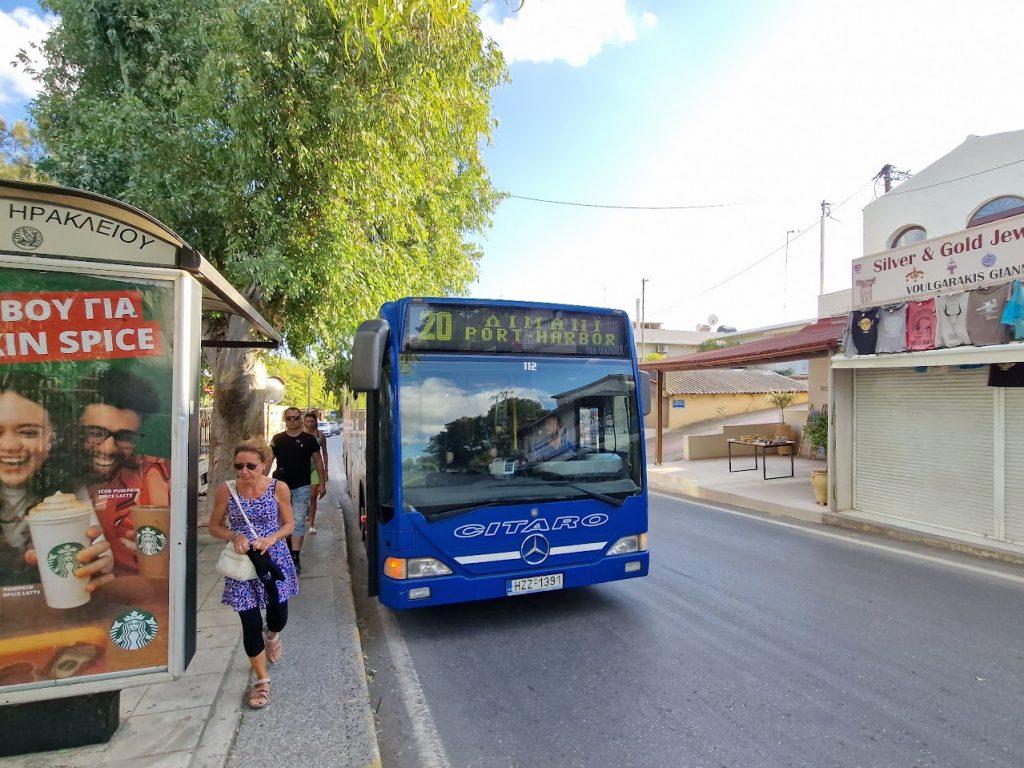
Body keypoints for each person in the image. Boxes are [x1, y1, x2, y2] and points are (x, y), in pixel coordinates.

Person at [1, 370, 112, 589]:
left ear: (54, 436)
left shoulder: (68, 491)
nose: (10, 446)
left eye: (29, 432)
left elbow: (98, 556)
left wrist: (98, 564)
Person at [208, 440, 298, 709]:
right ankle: (261, 680)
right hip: (241, 565)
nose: (244, 472)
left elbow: (290, 524)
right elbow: (213, 526)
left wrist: (271, 539)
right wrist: (234, 535)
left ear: (265, 465)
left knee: (278, 617)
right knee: (249, 624)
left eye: (251, 466)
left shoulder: (277, 488)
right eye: (239, 466)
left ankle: (272, 636)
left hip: (273, 559)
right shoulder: (227, 490)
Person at [78, 369, 171, 575]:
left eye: (124, 437)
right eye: (96, 433)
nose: (108, 448)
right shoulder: (50, 482)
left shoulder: (156, 474)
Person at [266, 406, 325, 574]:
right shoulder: (277, 439)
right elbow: (269, 460)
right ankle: (281, 553)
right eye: (289, 418)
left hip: (302, 486)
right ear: (285, 421)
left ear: (301, 419)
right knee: (280, 521)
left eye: (295, 418)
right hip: (280, 487)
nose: (293, 421)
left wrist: (322, 483)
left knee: (298, 521)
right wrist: (260, 481)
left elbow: (318, 461)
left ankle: (295, 556)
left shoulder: (309, 439)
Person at [302, 412, 329, 535]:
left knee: (313, 495)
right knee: (303, 495)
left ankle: (311, 524)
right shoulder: (300, 434)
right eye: (307, 421)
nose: (309, 424)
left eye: (312, 421)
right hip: (302, 467)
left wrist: (326, 469)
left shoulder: (320, 435)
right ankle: (306, 512)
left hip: (315, 468)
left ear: (315, 422)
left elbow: (324, 453)